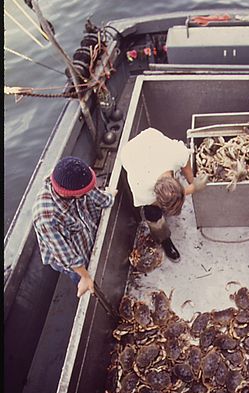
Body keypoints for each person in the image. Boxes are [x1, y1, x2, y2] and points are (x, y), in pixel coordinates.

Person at [33, 156, 116, 297]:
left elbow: (100, 198)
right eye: (84, 192)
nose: (89, 190)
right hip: (68, 258)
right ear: (71, 194)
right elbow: (67, 257)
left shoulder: (76, 177)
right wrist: (85, 276)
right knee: (84, 279)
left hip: (86, 234)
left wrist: (109, 197)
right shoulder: (46, 217)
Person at [121, 127, 208, 261]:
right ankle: (164, 240)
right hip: (132, 153)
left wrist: (193, 182)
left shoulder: (175, 154)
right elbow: (151, 202)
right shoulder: (141, 187)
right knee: (152, 214)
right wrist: (192, 189)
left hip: (152, 140)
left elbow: (185, 161)